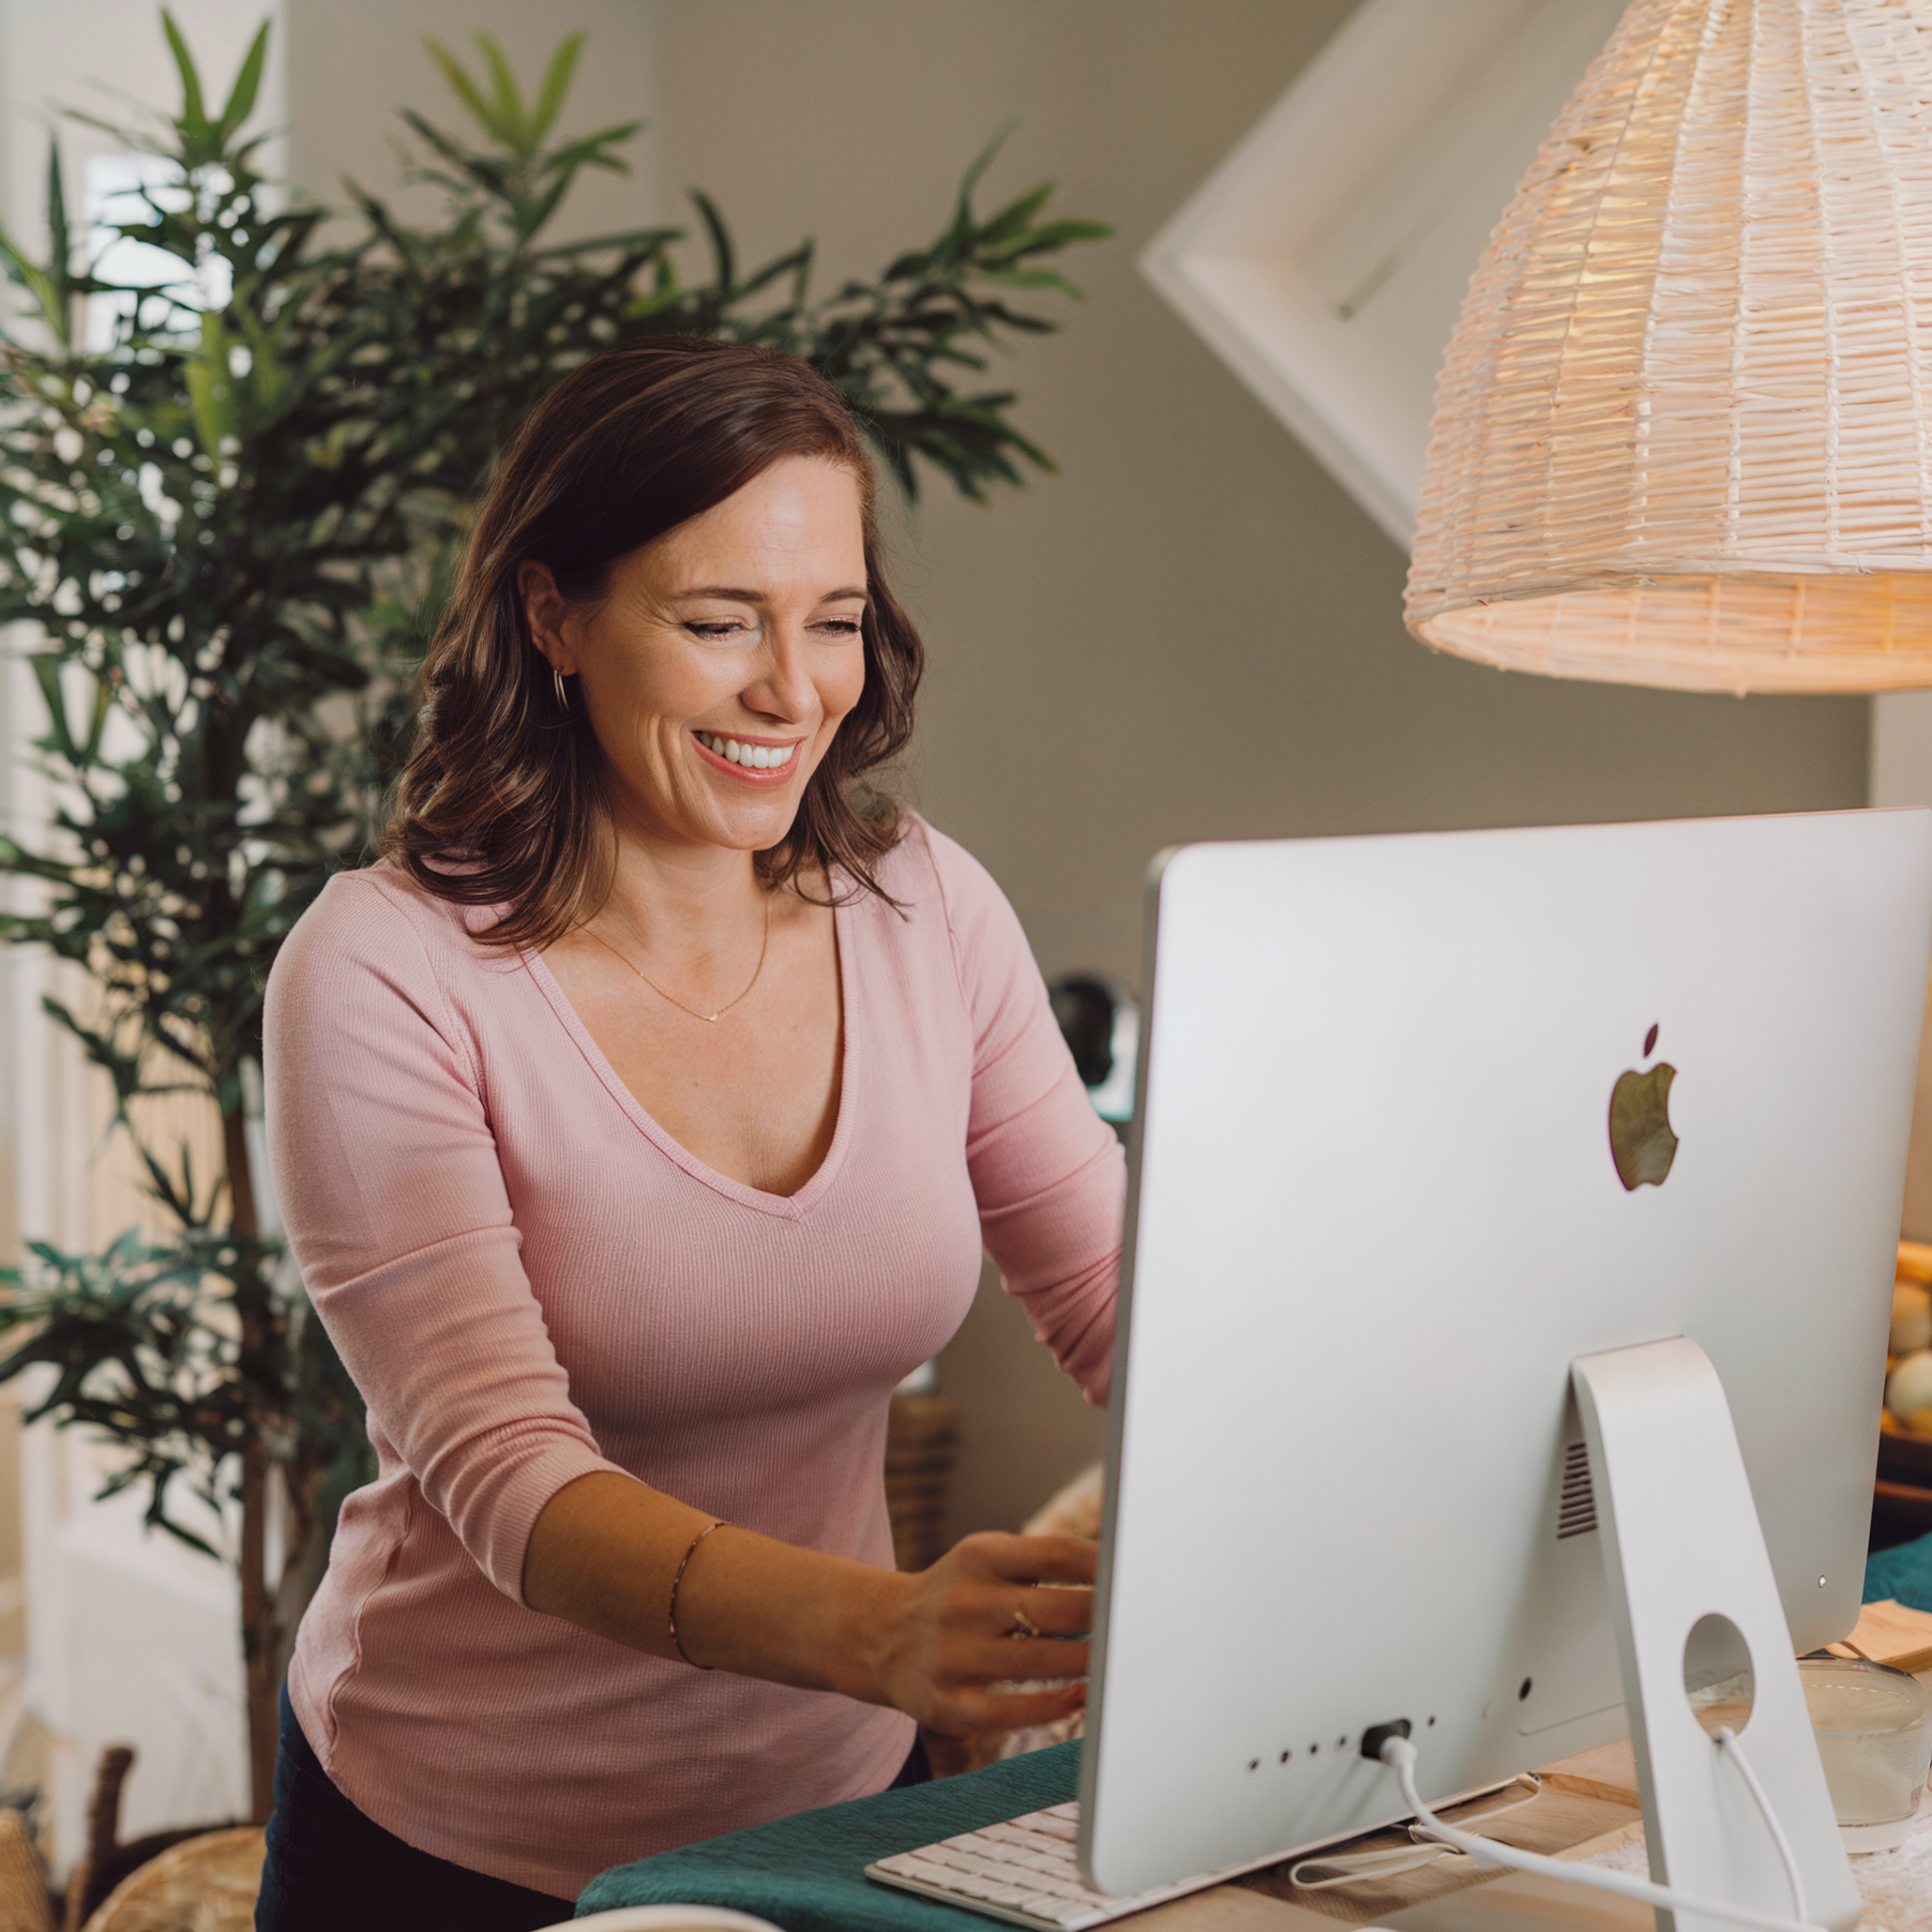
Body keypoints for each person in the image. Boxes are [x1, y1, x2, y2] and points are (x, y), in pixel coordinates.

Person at [256, 337, 1126, 1931]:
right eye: (720, 622)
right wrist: (880, 1632)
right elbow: (508, 1475)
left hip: (834, 1818)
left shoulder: (924, 905)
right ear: (555, 619)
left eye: (835, 620)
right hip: (456, 1844)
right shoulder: (381, 972)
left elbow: (1115, 1290)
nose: (794, 691)